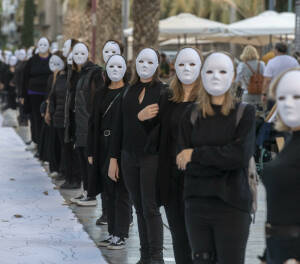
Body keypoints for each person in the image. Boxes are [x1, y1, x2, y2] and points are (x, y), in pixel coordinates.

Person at [177, 52, 256, 264]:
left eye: (222, 71)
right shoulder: (191, 115)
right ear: (202, 75)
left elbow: (240, 157)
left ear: (232, 77)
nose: (215, 76)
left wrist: (196, 154)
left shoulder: (245, 113)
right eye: (210, 71)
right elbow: (183, 162)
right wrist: (221, 158)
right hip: (197, 206)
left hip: (233, 206)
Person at [138, 47, 202, 263]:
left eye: (192, 64)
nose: (187, 69)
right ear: (175, 67)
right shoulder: (168, 97)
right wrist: (144, 118)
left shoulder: (206, 100)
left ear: (201, 67)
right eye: (182, 64)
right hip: (171, 179)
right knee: (178, 236)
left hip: (198, 180)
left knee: (197, 238)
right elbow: (157, 135)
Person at [109, 48, 165, 264]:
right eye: (140, 60)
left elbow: (161, 128)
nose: (144, 64)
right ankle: (144, 256)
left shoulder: (162, 91)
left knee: (150, 207)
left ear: (157, 64)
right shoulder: (129, 90)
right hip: (128, 156)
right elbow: (119, 125)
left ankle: (156, 257)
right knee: (138, 207)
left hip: (151, 157)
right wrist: (113, 158)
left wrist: (141, 119)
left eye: (149, 61)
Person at [88, 54, 131, 249]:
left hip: (121, 146)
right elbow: (92, 123)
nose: (115, 69)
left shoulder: (128, 93)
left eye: (119, 66)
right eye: (111, 66)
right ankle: (113, 232)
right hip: (102, 144)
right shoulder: (100, 93)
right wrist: (91, 151)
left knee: (120, 191)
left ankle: (121, 233)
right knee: (107, 191)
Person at [262, 68, 300, 264]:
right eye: (282, 98)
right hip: (277, 248)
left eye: (297, 96)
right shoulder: (289, 140)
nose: (289, 104)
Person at [64, 43, 104, 196]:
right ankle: (86, 191)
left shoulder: (94, 73)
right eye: (76, 53)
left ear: (88, 54)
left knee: (89, 159)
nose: (79, 56)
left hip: (87, 123)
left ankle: (91, 194)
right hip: (77, 123)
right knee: (81, 158)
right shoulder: (76, 73)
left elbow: (97, 98)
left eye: (82, 53)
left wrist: (91, 117)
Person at [22, 37, 52, 153]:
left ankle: (45, 146)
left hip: (47, 95)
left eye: (45, 44)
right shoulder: (32, 60)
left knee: (46, 119)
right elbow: (25, 78)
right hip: (33, 94)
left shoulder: (52, 60)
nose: (43, 46)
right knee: (35, 118)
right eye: (41, 44)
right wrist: (23, 95)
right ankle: (35, 141)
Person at [236, 45, 265, 111]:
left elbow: (237, 80)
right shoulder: (261, 64)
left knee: (246, 113)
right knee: (259, 115)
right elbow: (265, 77)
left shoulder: (242, 65)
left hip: (247, 93)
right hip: (259, 93)